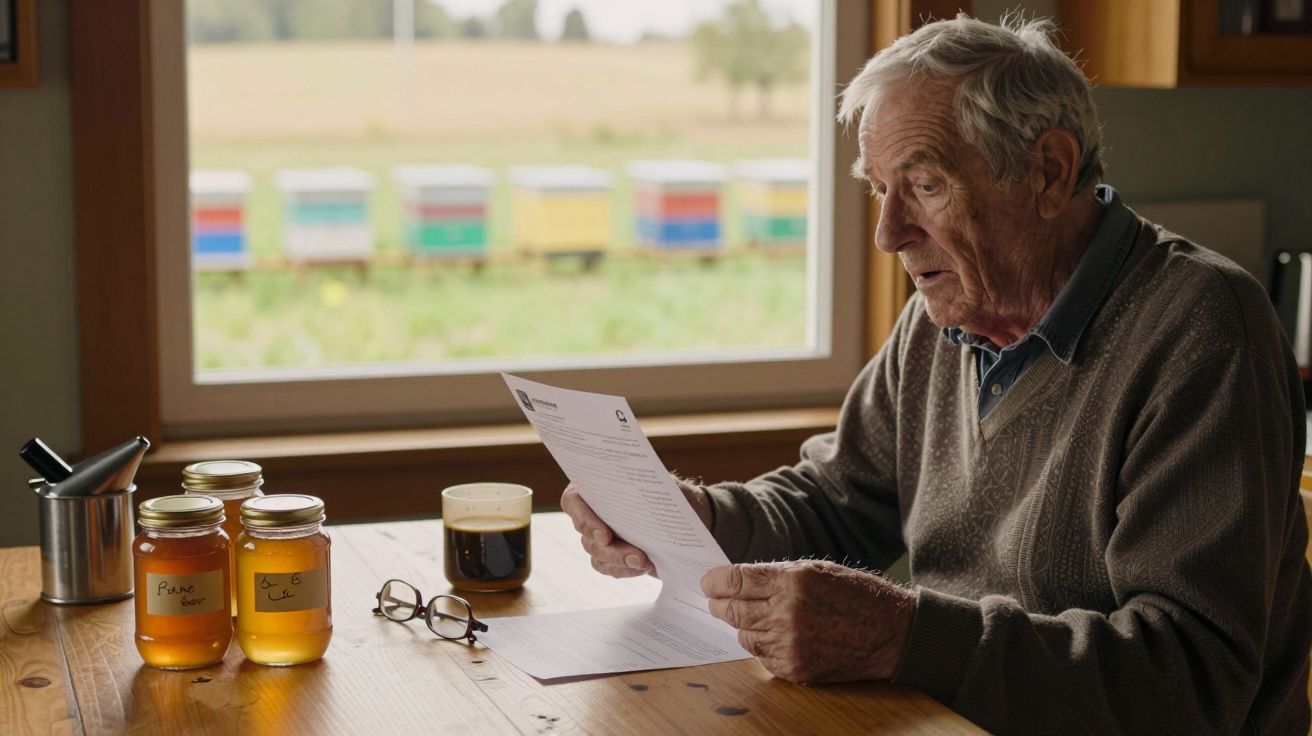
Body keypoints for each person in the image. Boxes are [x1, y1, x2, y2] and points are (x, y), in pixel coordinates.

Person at [562, 13, 1312, 733]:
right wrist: (696, 518)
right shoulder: (945, 315)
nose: (889, 234)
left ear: (1049, 172)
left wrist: (906, 638)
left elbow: (1189, 680)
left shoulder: (1203, 328)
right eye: (877, 189)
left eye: (924, 186)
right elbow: (839, 498)